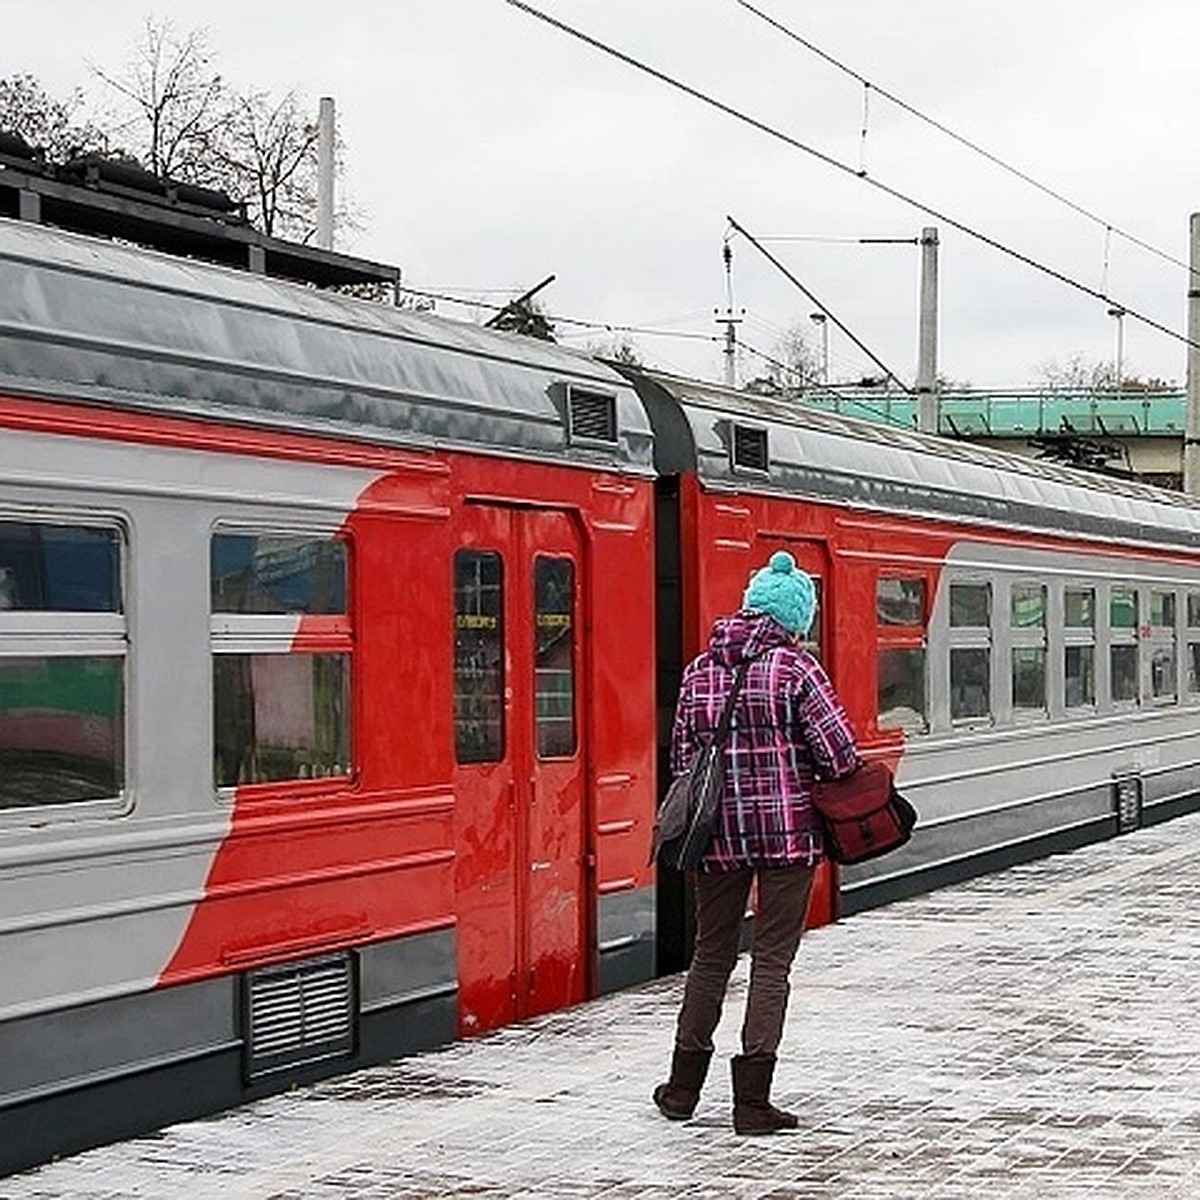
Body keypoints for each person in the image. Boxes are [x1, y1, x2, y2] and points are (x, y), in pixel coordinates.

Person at [652, 549, 859, 1135]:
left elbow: (683, 762)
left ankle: (682, 1089)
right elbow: (840, 755)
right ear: (796, 619)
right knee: (772, 960)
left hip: (715, 836)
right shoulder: (797, 671)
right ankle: (752, 1101)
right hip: (788, 838)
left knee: (710, 954)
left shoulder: (700, 671)